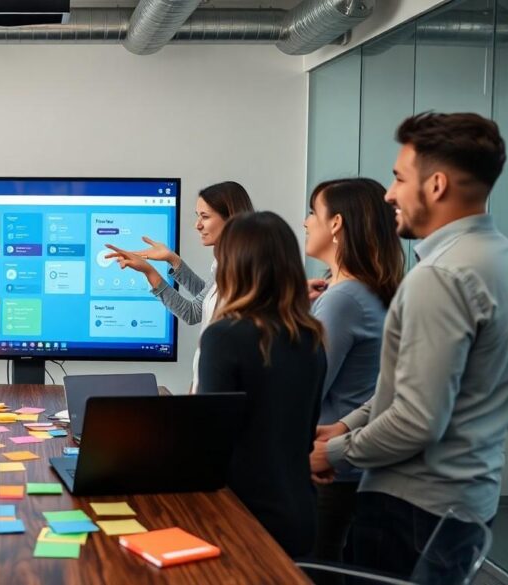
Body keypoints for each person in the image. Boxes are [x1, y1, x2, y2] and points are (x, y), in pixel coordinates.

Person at [311, 112, 508, 578]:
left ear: (436, 186)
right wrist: (347, 425)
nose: (389, 193)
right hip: (466, 502)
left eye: (400, 178)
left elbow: (417, 420)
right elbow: (421, 387)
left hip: (414, 509)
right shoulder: (495, 258)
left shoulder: (440, 277)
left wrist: (333, 453)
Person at [198, 211, 327, 557]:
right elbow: (303, 434)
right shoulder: (310, 336)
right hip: (299, 515)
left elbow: (210, 445)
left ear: (233, 266)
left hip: (241, 517)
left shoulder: (223, 337)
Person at [302, 178, 404, 566]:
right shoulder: (358, 290)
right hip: (349, 464)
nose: (306, 222)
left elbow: (306, 387)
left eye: (313, 212)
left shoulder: (342, 298)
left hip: (327, 465)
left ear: (336, 224)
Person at [105, 181, 253, 392]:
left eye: (205, 217)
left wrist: (150, 273)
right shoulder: (224, 262)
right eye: (197, 216)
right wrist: (173, 260)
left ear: (231, 219)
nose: (197, 225)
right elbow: (208, 299)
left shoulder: (239, 269)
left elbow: (193, 312)